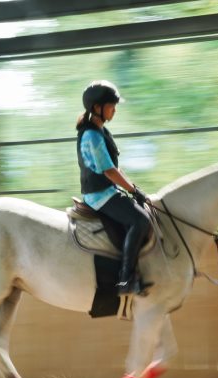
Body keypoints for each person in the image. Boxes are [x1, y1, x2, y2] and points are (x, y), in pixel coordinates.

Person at [75, 80, 151, 296]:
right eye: (111, 106)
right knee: (140, 220)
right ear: (97, 108)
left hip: (108, 191)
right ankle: (126, 279)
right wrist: (134, 191)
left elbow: (115, 169)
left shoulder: (101, 131)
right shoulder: (92, 135)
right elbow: (109, 171)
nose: (114, 110)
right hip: (98, 195)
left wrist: (133, 188)